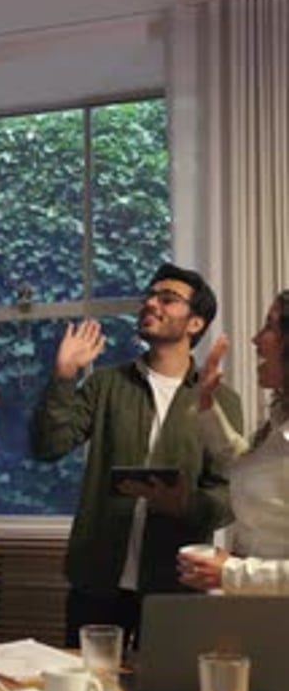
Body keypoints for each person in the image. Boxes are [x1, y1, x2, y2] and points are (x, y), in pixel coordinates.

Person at [30, 262, 243, 649]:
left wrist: (186, 504)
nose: (151, 303)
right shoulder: (106, 384)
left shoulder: (220, 401)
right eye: (149, 295)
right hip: (96, 582)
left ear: (195, 323)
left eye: (168, 298)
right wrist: (63, 376)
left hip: (175, 586)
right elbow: (48, 446)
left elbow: (229, 493)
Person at [178, 290, 289, 593]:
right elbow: (243, 463)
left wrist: (231, 573)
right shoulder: (280, 420)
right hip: (257, 615)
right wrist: (205, 403)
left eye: (270, 326)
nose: (255, 340)